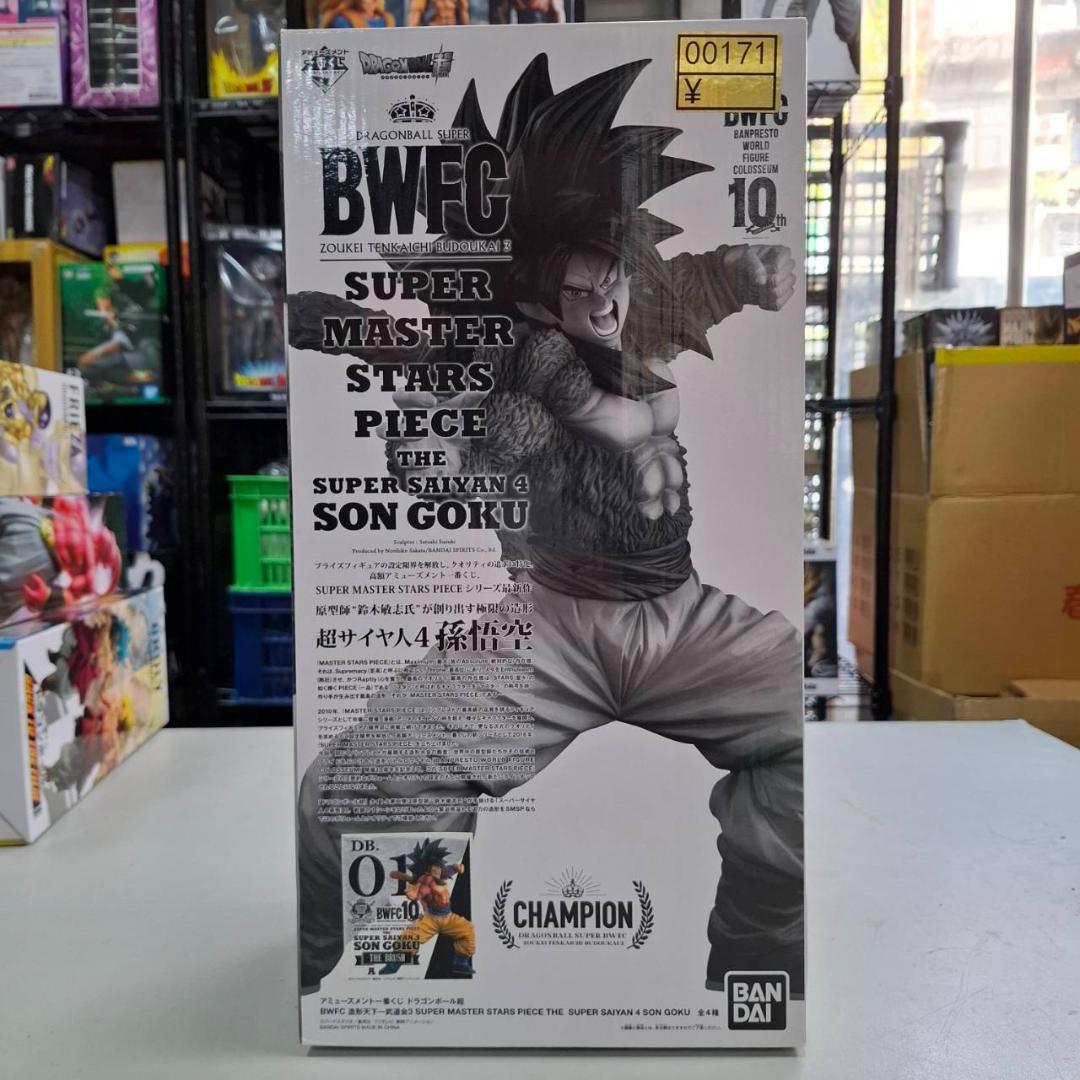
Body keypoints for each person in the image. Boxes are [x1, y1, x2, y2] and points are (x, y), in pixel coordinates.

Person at [290, 55, 804, 995]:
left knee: (798, 737)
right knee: (355, 786)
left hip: (682, 616)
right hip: (549, 623)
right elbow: (422, 430)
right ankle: (391, 981)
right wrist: (435, 437)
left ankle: (758, 970)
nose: (607, 305)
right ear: (530, 296)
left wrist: (751, 266)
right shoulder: (491, 357)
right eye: (581, 293)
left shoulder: (633, 312)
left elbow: (701, 281)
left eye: (614, 283)